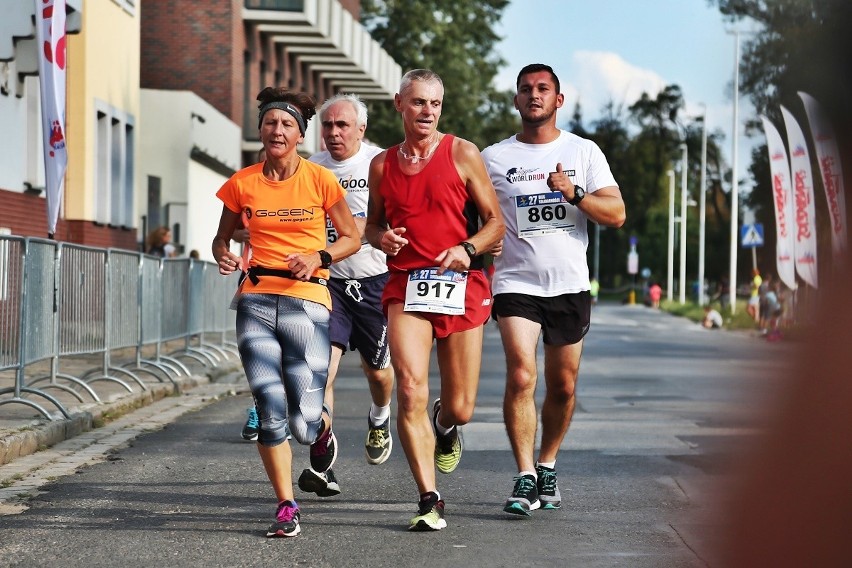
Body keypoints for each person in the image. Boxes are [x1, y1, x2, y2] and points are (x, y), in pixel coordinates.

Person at [211, 86, 360, 538]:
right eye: (271, 123)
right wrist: (223, 253)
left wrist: (320, 256)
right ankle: (285, 505)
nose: (278, 130)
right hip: (255, 301)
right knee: (270, 410)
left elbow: (352, 237)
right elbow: (222, 237)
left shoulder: (320, 179)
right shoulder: (242, 183)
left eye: (287, 124)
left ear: (299, 134)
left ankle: (321, 431)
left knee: (303, 420)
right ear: (260, 129)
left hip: (307, 301)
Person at [481, 63, 625, 516]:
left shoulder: (584, 152)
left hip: (569, 285)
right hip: (515, 282)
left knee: (562, 386)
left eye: (543, 89)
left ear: (558, 100)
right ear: (516, 100)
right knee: (522, 375)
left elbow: (616, 213)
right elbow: (471, 213)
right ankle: (524, 475)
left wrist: (575, 194)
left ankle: (547, 463)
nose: (534, 95)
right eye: (525, 89)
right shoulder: (493, 157)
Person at [364, 69, 505, 531]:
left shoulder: (462, 153)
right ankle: (429, 498)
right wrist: (381, 238)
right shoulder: (382, 164)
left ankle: (446, 426)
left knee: (461, 405)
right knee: (409, 388)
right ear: (398, 104)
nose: (427, 112)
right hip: (407, 284)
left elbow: (495, 224)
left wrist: (466, 249)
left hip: (461, 285)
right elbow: (372, 226)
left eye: (435, 104)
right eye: (419, 102)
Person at [293, 93, 395, 497]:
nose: (334, 133)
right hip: (327, 282)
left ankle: (380, 414)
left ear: (361, 129)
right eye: (328, 126)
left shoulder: (380, 163)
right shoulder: (311, 167)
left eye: (343, 125)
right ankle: (322, 456)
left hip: (374, 282)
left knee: (378, 372)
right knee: (322, 371)